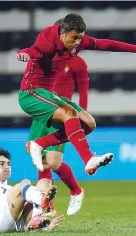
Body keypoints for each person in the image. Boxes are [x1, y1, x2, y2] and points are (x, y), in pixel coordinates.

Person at [17, 13, 136, 177]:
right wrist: (25, 53)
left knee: (88, 123)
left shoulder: (78, 42)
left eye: (80, 38)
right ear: (63, 34)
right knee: (69, 114)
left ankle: (39, 144)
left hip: (50, 95)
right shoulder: (48, 39)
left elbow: (106, 44)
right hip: (31, 93)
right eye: (74, 38)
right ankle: (88, 159)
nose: (77, 43)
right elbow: (35, 50)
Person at [29, 19, 90, 216]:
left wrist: (79, 118)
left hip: (63, 114)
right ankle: (48, 208)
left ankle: (76, 190)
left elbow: (84, 93)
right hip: (44, 110)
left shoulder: (77, 63)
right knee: (40, 158)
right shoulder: (46, 57)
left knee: (53, 161)